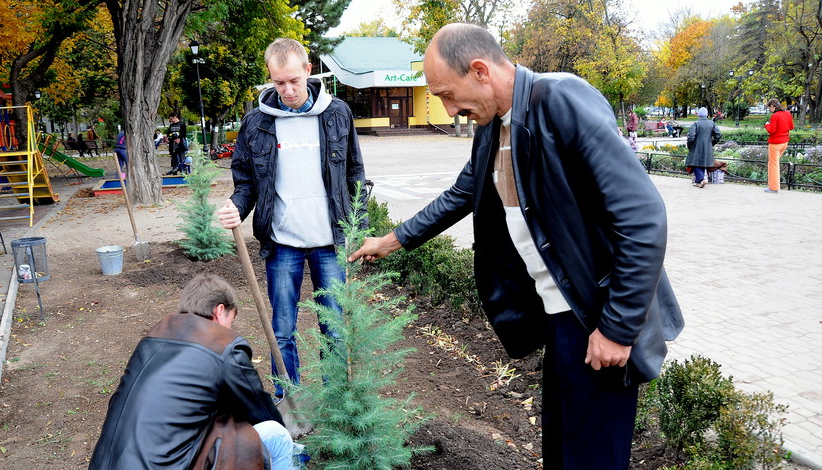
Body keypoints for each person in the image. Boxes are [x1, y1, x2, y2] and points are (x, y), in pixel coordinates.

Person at [347, 23, 683, 469]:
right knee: (562, 455)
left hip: (595, 316)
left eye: (449, 94)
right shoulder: (493, 122)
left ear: (481, 71)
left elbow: (644, 216)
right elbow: (465, 192)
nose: (449, 110)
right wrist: (392, 240)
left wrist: (618, 328)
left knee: (592, 459)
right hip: (561, 319)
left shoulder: (561, 101)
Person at [216, 37, 366, 400]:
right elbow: (247, 182)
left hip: (330, 242)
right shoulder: (256, 122)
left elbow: (355, 174)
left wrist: (358, 229)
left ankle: (335, 403)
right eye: (278, 82)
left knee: (334, 328)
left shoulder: (337, 113)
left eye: (294, 81)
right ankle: (290, 402)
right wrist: (236, 205)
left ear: (308, 72)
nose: (287, 90)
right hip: (282, 242)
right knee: (281, 329)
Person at [89, 274, 298, 470]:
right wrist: (291, 438)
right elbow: (259, 411)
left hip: (104, 464)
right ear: (219, 310)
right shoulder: (223, 345)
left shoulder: (152, 339)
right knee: (277, 437)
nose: (230, 330)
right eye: (230, 321)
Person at [686, 107, 722, 188]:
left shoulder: (695, 124)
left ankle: (701, 180)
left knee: (694, 163)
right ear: (706, 115)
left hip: (696, 146)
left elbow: (691, 137)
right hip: (707, 146)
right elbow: (718, 134)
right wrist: (712, 142)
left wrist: (689, 145)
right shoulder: (711, 123)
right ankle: (698, 181)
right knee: (702, 163)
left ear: (698, 115)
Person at [764, 98, 794, 194]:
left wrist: (767, 125)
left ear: (772, 106)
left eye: (769, 108)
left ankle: (774, 187)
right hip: (784, 142)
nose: (769, 110)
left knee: (773, 165)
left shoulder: (775, 116)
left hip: (775, 143)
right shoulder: (788, 113)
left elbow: (772, 130)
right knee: (773, 164)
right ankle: (772, 185)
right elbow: (791, 127)